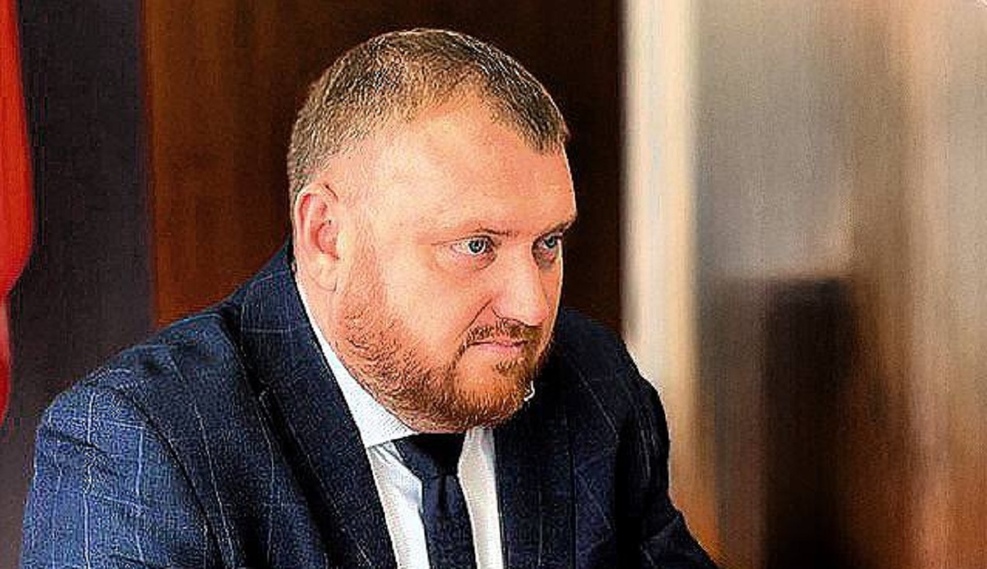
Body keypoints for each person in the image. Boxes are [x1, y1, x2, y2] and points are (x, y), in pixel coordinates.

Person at [21, 29, 717, 568]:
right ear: (326, 236)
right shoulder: (140, 441)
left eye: (548, 243)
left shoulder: (594, 384)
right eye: (476, 245)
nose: (531, 307)